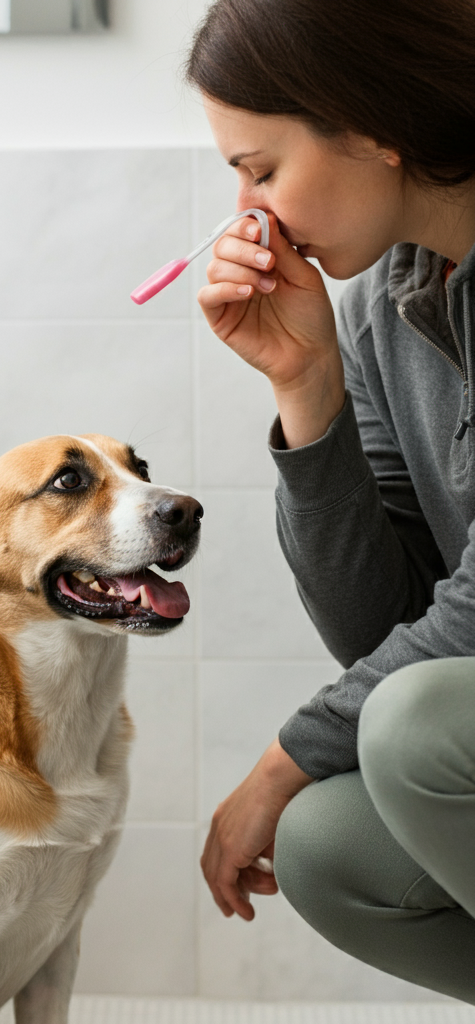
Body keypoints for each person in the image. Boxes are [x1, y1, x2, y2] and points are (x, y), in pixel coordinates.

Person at [185, 0, 475, 1002]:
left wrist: (279, 761)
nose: (247, 216)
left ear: (366, 126)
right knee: (328, 848)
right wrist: (306, 389)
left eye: (260, 170)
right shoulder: (380, 309)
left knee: (412, 731)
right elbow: (379, 632)